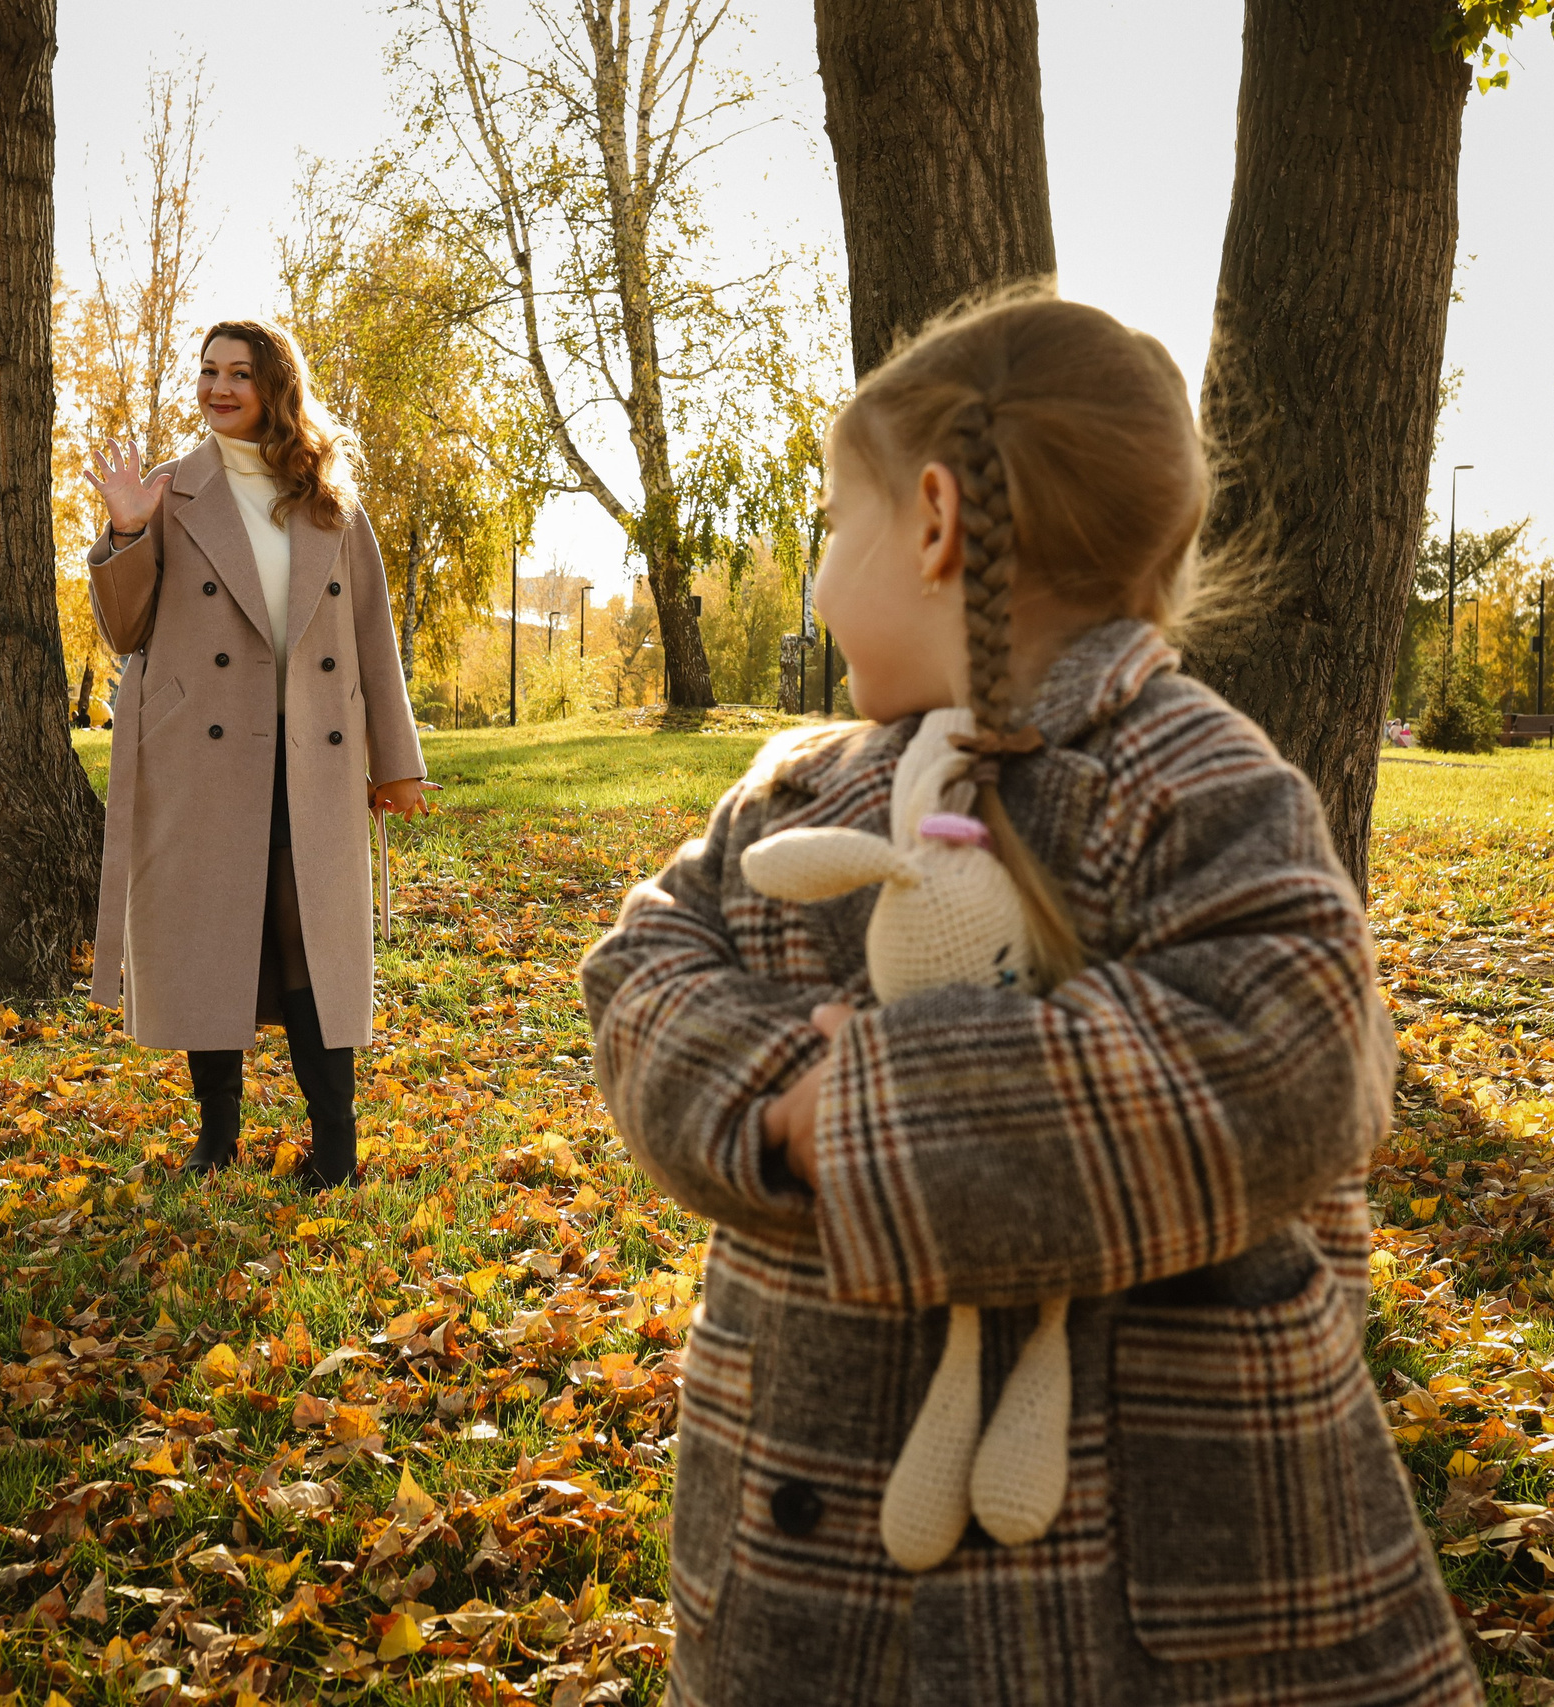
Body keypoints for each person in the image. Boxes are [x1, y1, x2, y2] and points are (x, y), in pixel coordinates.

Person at [581, 292, 1473, 1706]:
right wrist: (772, 1115)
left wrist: (864, 1112)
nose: (816, 579)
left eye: (830, 519)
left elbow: (1292, 1050)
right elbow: (640, 973)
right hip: (824, 1546)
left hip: (1171, 1593)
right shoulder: (800, 793)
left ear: (932, 518)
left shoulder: (1199, 780)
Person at [83, 319, 427, 1189]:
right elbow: (126, 630)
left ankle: (338, 1145)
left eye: (239, 373)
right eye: (208, 372)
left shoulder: (331, 501)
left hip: (310, 755)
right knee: (213, 936)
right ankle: (217, 1136)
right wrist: (125, 536)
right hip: (202, 759)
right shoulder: (173, 490)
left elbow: (372, 639)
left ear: (277, 386)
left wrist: (396, 761)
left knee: (311, 943)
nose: (219, 388)